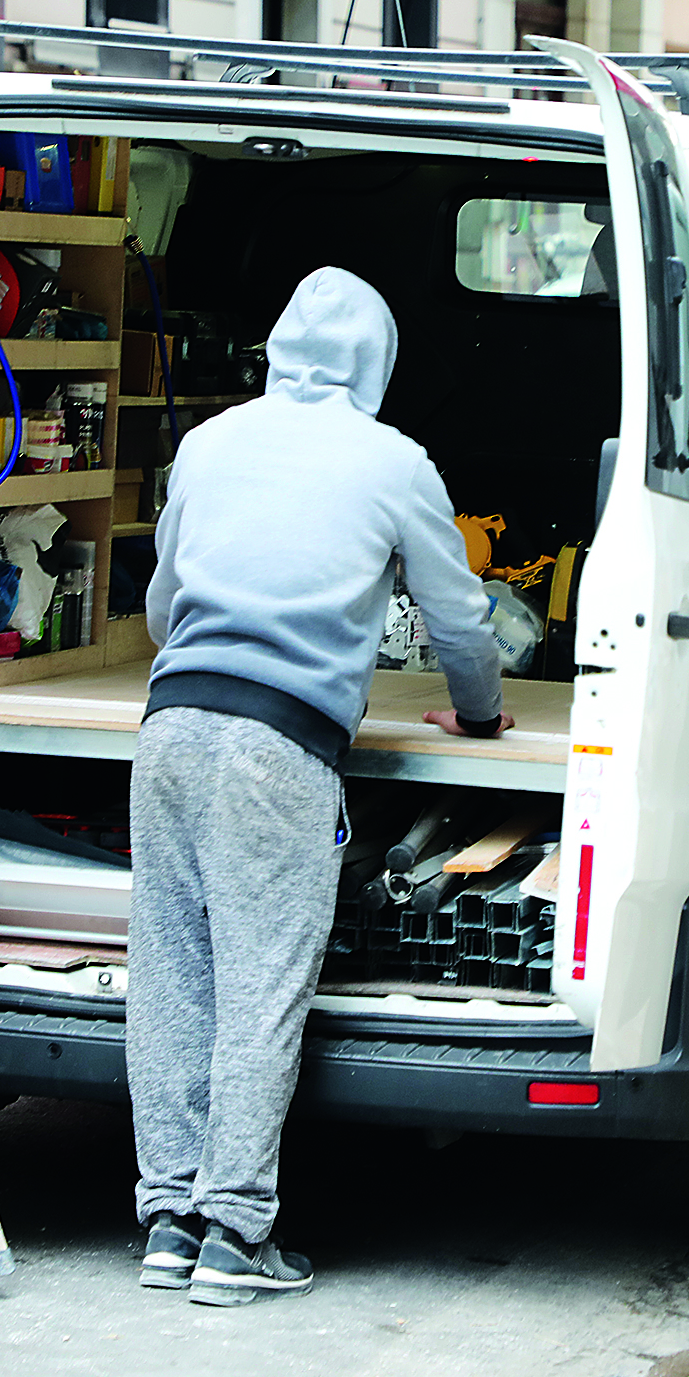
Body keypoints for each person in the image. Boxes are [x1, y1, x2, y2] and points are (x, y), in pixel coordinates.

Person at [127, 266, 509, 1305]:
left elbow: (164, 604)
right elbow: (461, 618)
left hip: (170, 727)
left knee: (172, 972)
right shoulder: (394, 463)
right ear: (376, 362)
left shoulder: (208, 445)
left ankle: (168, 1217)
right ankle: (237, 1231)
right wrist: (478, 715)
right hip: (277, 745)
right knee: (262, 982)